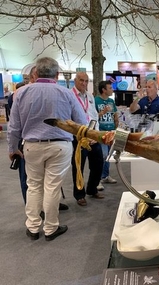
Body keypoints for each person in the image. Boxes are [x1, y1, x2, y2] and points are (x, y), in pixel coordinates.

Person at [7, 57, 87, 241]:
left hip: (31, 146)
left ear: (35, 73)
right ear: (57, 74)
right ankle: (51, 228)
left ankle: (33, 227)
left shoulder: (22, 93)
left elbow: (14, 126)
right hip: (60, 145)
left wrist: (12, 148)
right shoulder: (66, 93)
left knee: (33, 185)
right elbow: (81, 122)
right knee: (52, 186)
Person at [71, 72, 104, 206]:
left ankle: (92, 188)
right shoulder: (69, 96)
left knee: (98, 163)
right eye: (81, 80)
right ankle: (79, 195)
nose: (84, 83)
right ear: (75, 80)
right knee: (78, 167)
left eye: (86, 81)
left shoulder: (90, 97)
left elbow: (94, 115)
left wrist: (96, 134)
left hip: (92, 135)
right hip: (78, 137)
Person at [95, 80, 119, 190]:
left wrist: (116, 123)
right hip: (101, 132)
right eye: (110, 88)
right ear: (104, 90)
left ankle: (105, 175)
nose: (112, 90)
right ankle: (98, 179)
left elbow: (115, 114)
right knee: (103, 155)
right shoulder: (96, 101)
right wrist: (102, 112)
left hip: (111, 131)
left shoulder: (111, 101)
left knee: (108, 155)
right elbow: (93, 117)